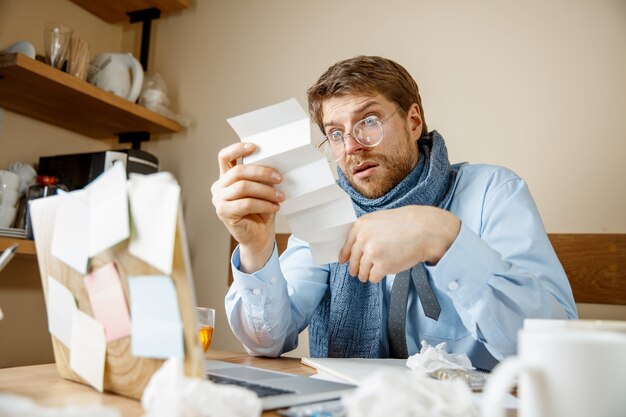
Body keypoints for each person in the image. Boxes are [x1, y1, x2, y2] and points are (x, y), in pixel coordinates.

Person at [211, 55, 577, 370]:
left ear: (413, 121)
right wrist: (256, 248)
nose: (351, 146)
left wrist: (443, 237)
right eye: (335, 134)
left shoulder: (493, 193)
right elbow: (267, 342)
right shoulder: (328, 215)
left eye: (368, 121)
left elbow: (559, 350)